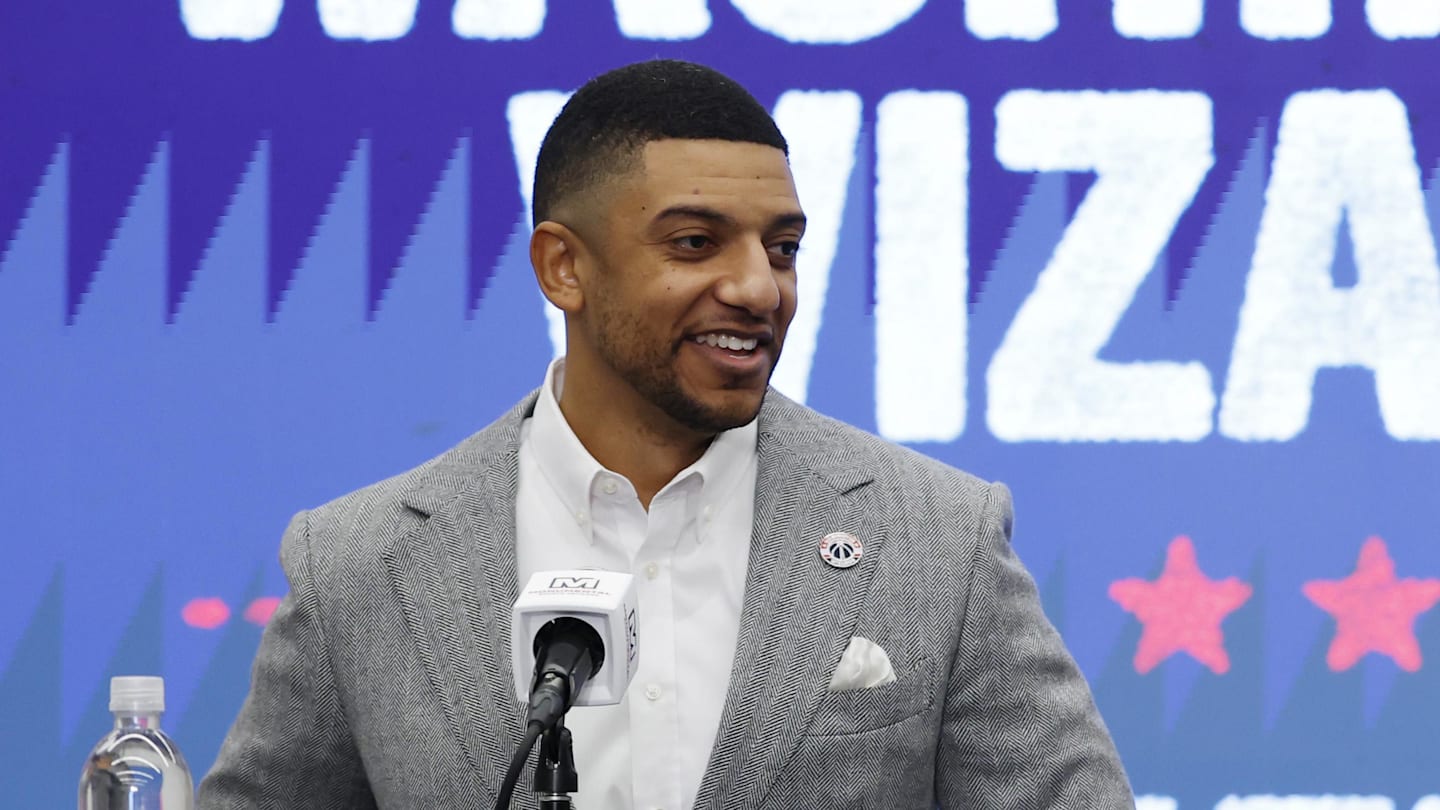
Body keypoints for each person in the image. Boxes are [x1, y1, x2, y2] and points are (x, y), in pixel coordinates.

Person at [199, 59, 1133, 809]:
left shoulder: (937, 537)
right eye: (695, 243)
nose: (759, 288)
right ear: (563, 267)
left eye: (782, 247)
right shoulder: (362, 562)